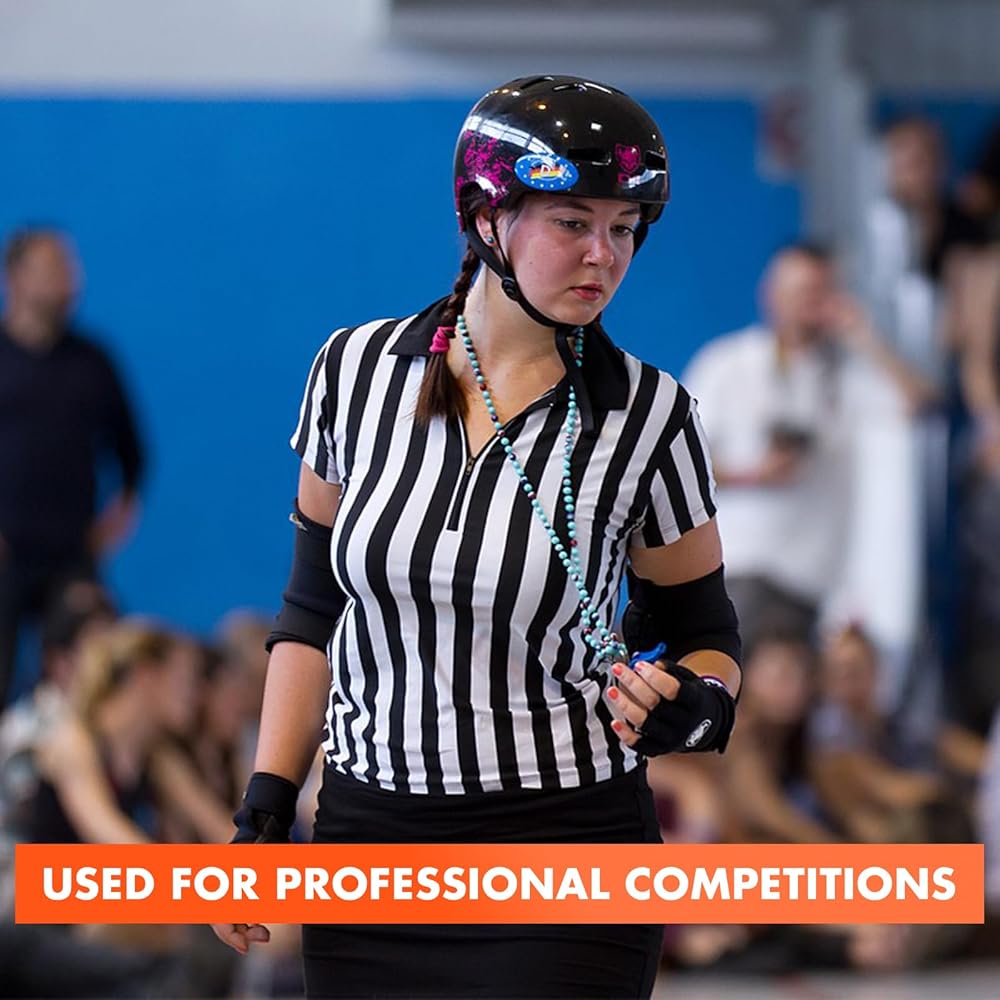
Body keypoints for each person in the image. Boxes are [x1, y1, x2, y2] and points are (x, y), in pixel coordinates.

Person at [212, 75, 742, 999]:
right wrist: (263, 812)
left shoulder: (651, 417)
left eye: (624, 228)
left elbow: (705, 633)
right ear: (488, 218)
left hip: (566, 853)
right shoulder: (353, 373)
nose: (604, 254)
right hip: (369, 850)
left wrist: (696, 706)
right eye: (572, 222)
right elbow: (311, 615)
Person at [683, 243, 916, 658]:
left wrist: (864, 337)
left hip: (810, 581)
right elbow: (678, 467)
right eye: (799, 292)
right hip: (737, 564)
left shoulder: (848, 377)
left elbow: (917, 404)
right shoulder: (728, 364)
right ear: (770, 294)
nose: (808, 304)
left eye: (819, 292)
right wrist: (754, 474)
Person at [0, 228, 145, 706]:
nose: (71, 280)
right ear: (15, 277)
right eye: (55, 268)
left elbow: (132, 456)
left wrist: (110, 528)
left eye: (70, 268)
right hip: (6, 556)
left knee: (94, 674)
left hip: (72, 557)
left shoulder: (92, 362)